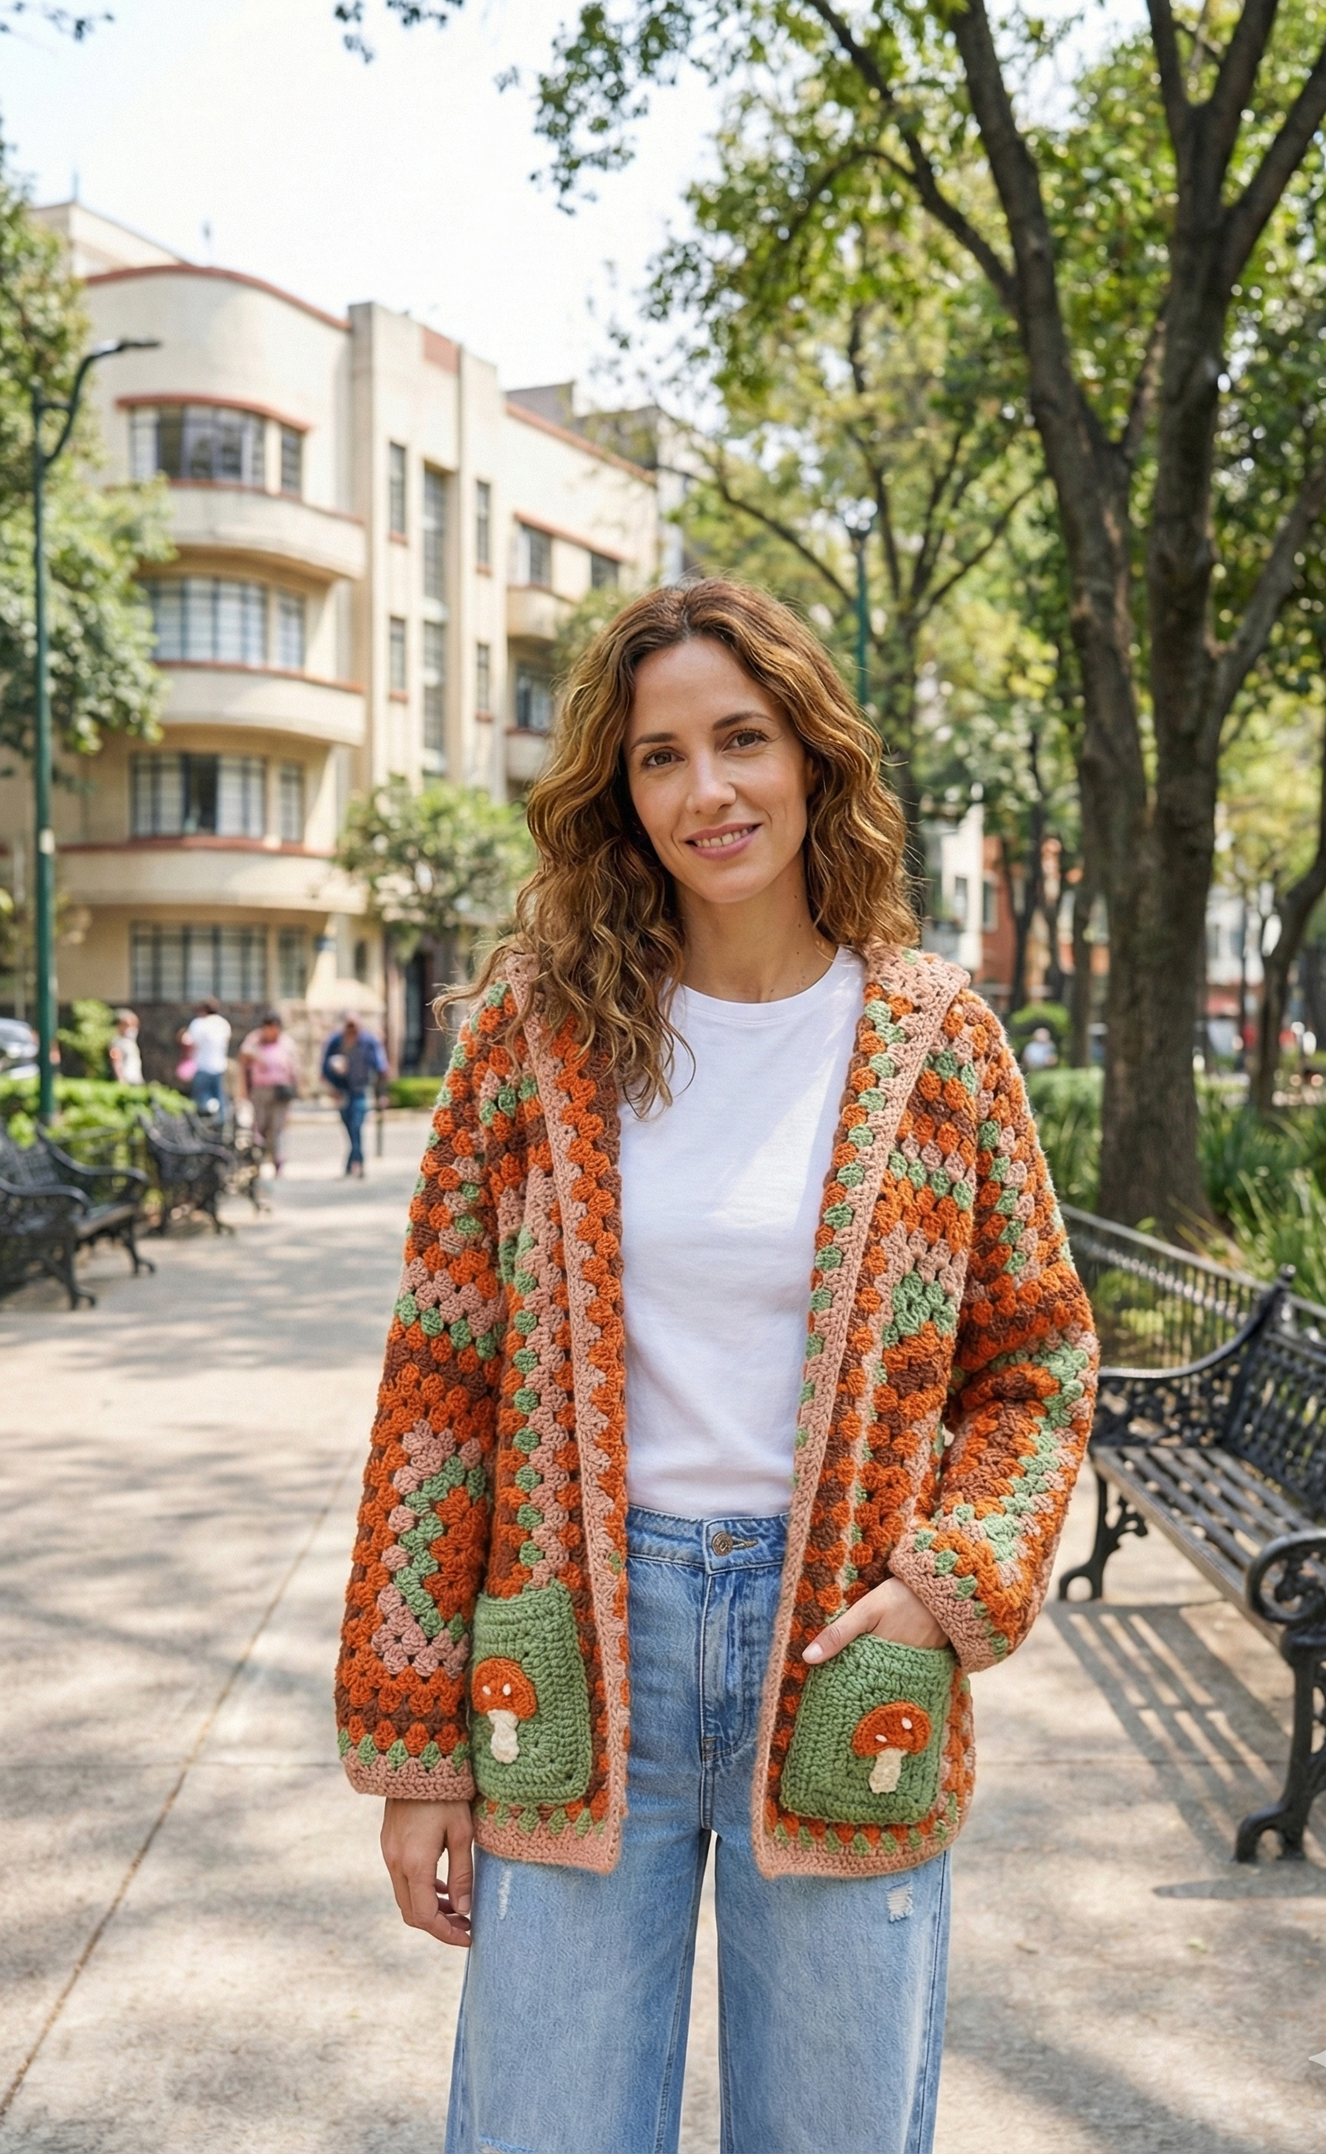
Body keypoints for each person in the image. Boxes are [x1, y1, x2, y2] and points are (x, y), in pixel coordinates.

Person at [334, 580, 1099, 2154]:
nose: (708, 791)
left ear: (813, 756)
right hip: (569, 1649)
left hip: (844, 1641)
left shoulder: (934, 1037)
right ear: (619, 793)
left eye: (741, 739)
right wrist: (414, 1752)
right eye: (660, 756)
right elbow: (438, 1395)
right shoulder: (530, 1039)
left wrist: (946, 1585)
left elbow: (1035, 1352)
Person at [321, 1011, 388, 1177]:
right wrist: (332, 1085)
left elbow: (381, 1068)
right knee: (348, 1128)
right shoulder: (336, 1041)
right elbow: (324, 1068)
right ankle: (352, 1163)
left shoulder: (368, 1042)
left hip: (361, 1090)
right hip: (342, 1091)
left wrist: (382, 1094)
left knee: (357, 1125)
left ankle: (358, 1163)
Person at [239, 1010, 301, 1174]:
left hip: (281, 1091)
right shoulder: (254, 1040)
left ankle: (278, 1160)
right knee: (259, 1127)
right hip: (260, 1090)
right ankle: (257, 1162)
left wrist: (297, 1089)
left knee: (278, 1128)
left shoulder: (287, 1043)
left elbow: (295, 1068)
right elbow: (244, 1061)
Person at [179, 997, 230, 1117]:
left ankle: (203, 1129)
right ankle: (221, 1128)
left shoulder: (198, 1023)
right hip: (220, 1066)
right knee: (220, 1100)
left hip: (202, 1066)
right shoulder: (223, 1023)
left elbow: (189, 1043)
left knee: (201, 1103)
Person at [107, 1008, 143, 1087]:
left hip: (136, 1079)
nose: (131, 1028)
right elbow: (116, 1062)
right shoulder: (117, 1043)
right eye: (127, 1025)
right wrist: (121, 1080)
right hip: (126, 1081)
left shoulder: (131, 1042)